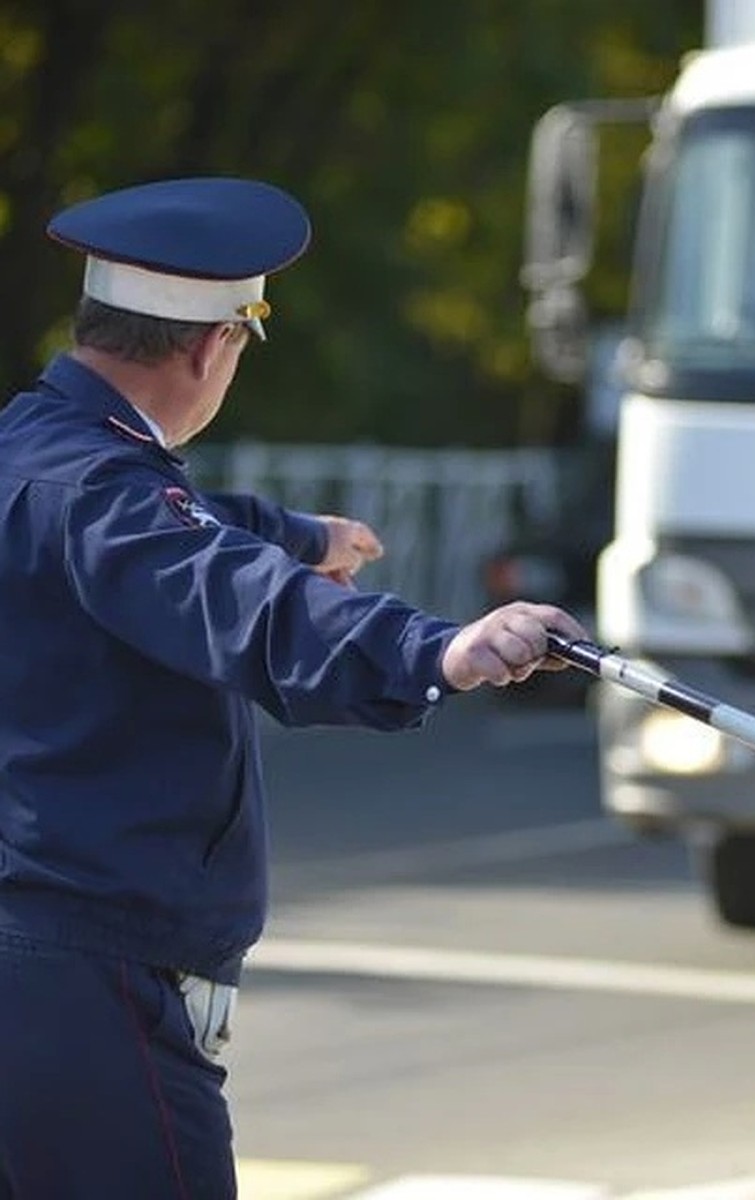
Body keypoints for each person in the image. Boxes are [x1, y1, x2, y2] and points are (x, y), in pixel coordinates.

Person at [0, 176, 589, 1199]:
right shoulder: (104, 492)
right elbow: (234, 596)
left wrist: (298, 534)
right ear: (211, 345)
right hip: (88, 983)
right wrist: (436, 649)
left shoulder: (33, 448)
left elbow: (178, 525)